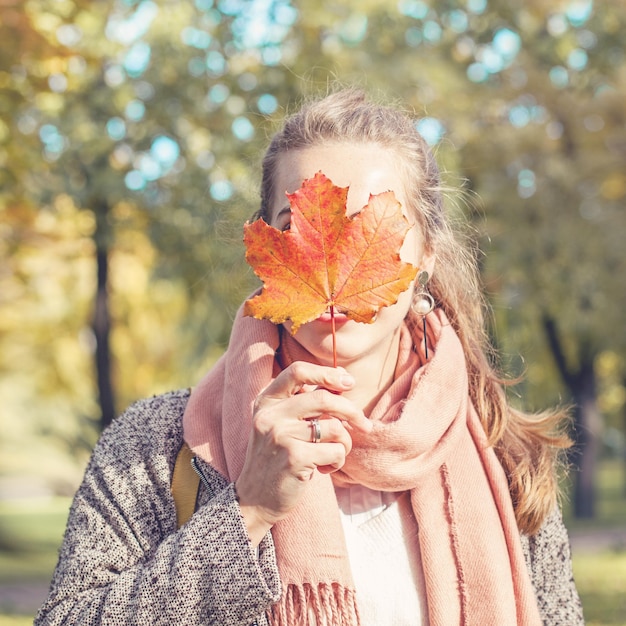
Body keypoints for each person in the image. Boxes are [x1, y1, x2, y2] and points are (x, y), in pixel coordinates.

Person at [36, 89, 584, 626]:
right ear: (265, 253)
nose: (332, 254)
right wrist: (246, 511)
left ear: (427, 255)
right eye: (293, 227)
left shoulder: (503, 456)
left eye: (370, 226)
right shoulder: (155, 449)